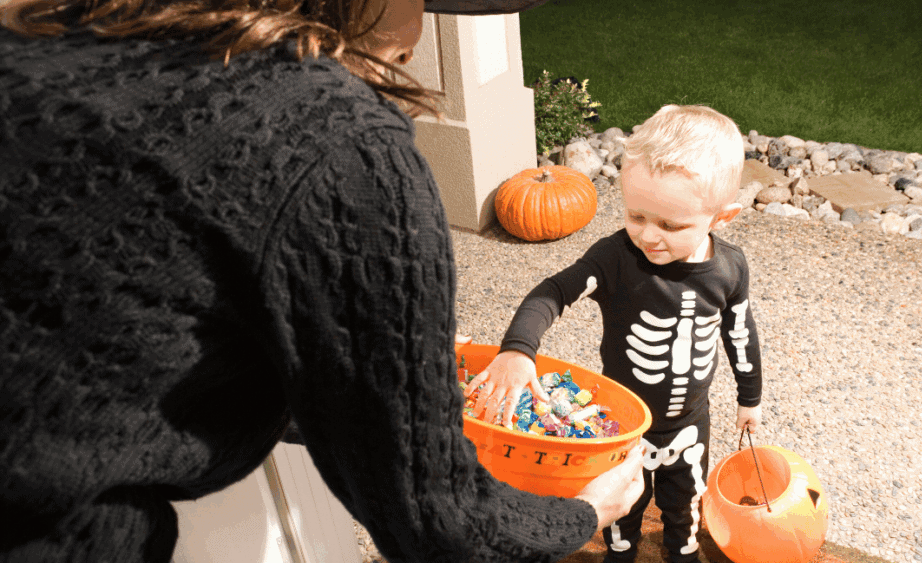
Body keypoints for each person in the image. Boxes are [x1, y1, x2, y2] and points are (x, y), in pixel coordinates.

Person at [0, 0, 648, 561]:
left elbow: (150, 330)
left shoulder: (44, 37)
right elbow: (437, 521)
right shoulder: (343, 144)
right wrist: (585, 512)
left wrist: (363, 386)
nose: (419, 30)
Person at [465, 104, 765, 563]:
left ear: (722, 218)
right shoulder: (615, 258)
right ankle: (620, 555)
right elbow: (551, 293)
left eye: (670, 224)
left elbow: (740, 332)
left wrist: (750, 398)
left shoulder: (729, 267)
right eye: (636, 215)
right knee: (621, 512)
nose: (649, 236)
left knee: (683, 509)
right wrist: (518, 349)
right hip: (624, 426)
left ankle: (679, 554)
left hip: (691, 424)